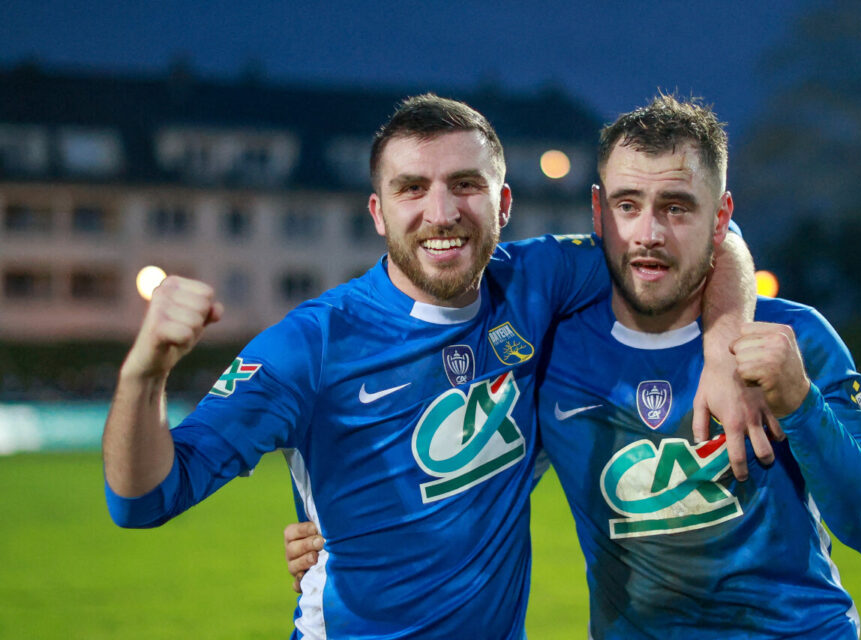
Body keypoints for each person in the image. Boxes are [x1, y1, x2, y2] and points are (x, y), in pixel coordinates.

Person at [102, 94, 758, 639]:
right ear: (378, 213)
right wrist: (144, 375)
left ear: (503, 205)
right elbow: (144, 499)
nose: (441, 213)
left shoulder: (538, 283)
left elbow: (712, 239)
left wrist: (725, 345)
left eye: (465, 186)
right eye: (412, 188)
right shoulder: (313, 344)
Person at [285, 95, 861, 638]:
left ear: (721, 218)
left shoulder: (794, 340)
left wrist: (797, 401)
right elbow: (446, 462)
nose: (648, 232)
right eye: (627, 204)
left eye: (678, 207)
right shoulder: (551, 348)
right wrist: (335, 534)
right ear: (596, 212)